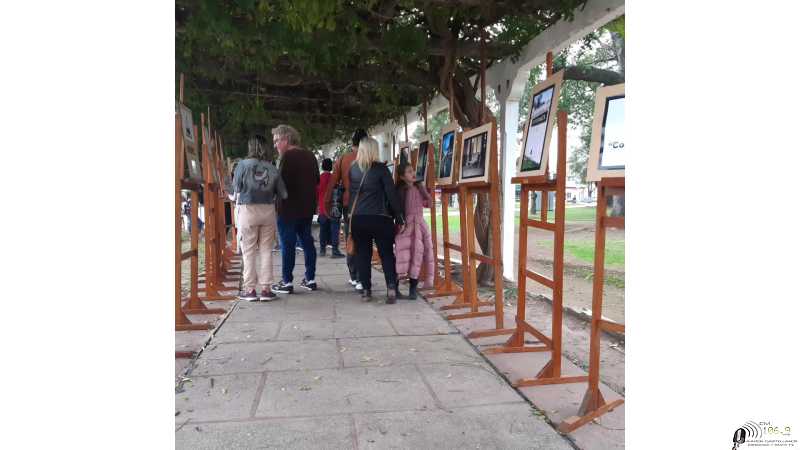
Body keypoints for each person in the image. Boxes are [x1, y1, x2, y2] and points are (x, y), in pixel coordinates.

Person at [348, 137, 404, 303]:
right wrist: (399, 215)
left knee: (363, 255)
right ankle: (391, 288)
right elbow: (391, 194)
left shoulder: (353, 169)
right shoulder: (381, 169)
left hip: (358, 218)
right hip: (380, 217)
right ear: (374, 150)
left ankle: (366, 290)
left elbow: (352, 195)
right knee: (386, 253)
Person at [232, 135, 287, 301]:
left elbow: (236, 187)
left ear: (250, 147)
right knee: (266, 250)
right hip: (268, 210)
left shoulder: (242, 165)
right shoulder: (271, 168)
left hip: (248, 210)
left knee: (248, 251)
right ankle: (266, 289)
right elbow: (283, 193)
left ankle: (250, 290)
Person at [271, 124, 320, 294]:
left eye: (277, 140)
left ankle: (286, 281)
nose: (275, 145)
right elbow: (316, 180)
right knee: (307, 241)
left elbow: (279, 183)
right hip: (307, 207)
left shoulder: (287, 157)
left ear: (286, 139)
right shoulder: (310, 156)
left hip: (287, 208)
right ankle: (310, 278)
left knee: (287, 243)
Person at [324, 128, 367, 288]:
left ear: (352, 143)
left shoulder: (343, 159)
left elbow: (332, 183)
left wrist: (327, 204)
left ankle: (354, 275)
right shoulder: (371, 158)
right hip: (369, 205)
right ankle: (364, 276)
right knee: (366, 240)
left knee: (352, 237)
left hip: (350, 206)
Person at [394, 163, 435, 300]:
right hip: (406, 225)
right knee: (402, 255)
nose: (413, 173)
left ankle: (413, 289)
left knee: (417, 256)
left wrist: (423, 189)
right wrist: (400, 224)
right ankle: (395, 287)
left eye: (413, 171)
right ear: (401, 176)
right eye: (409, 172)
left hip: (420, 225)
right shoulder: (400, 190)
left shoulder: (418, 187)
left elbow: (429, 203)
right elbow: (397, 209)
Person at [317, 158, 344, 258]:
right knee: (334, 229)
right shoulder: (334, 178)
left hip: (323, 209)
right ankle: (335, 251)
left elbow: (316, 193)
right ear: (331, 166)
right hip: (334, 208)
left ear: (322, 166)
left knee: (323, 230)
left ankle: (322, 250)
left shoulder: (319, 179)